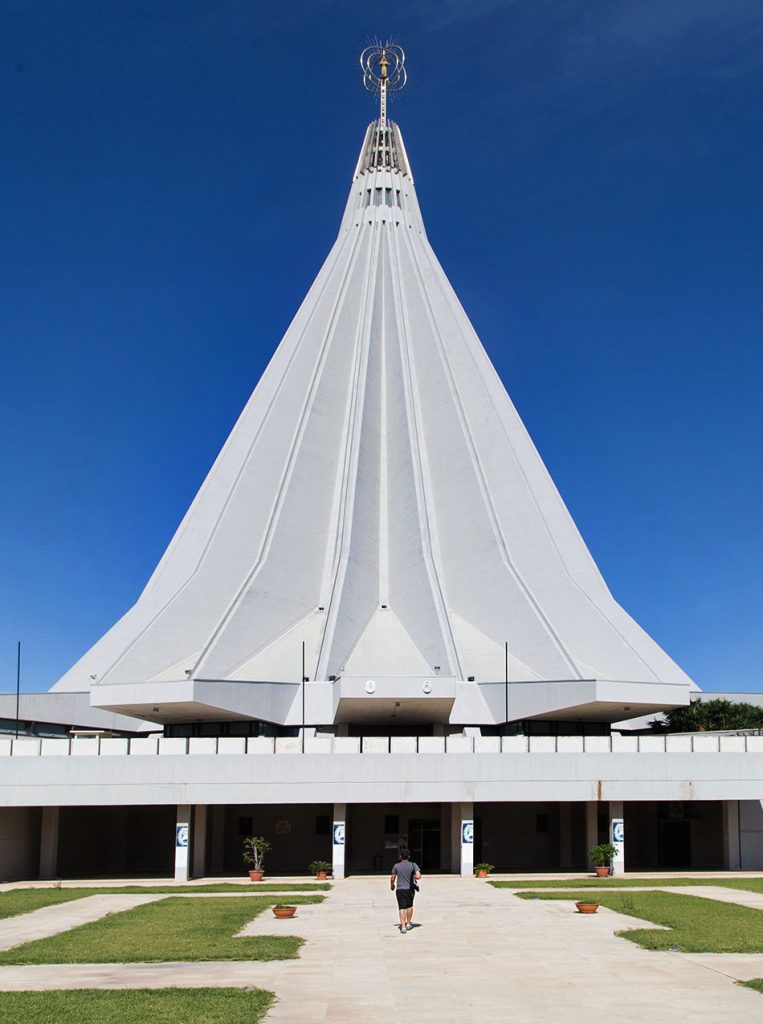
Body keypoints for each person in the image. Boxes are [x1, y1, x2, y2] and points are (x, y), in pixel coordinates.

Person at [389, 848, 421, 933]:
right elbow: (418, 876)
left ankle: (402, 926)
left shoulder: (396, 866)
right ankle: (408, 924)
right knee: (409, 906)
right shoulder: (413, 865)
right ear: (409, 857)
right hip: (410, 889)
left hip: (400, 889)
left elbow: (392, 878)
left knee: (401, 907)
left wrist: (392, 885)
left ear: (400, 857)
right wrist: (414, 876)